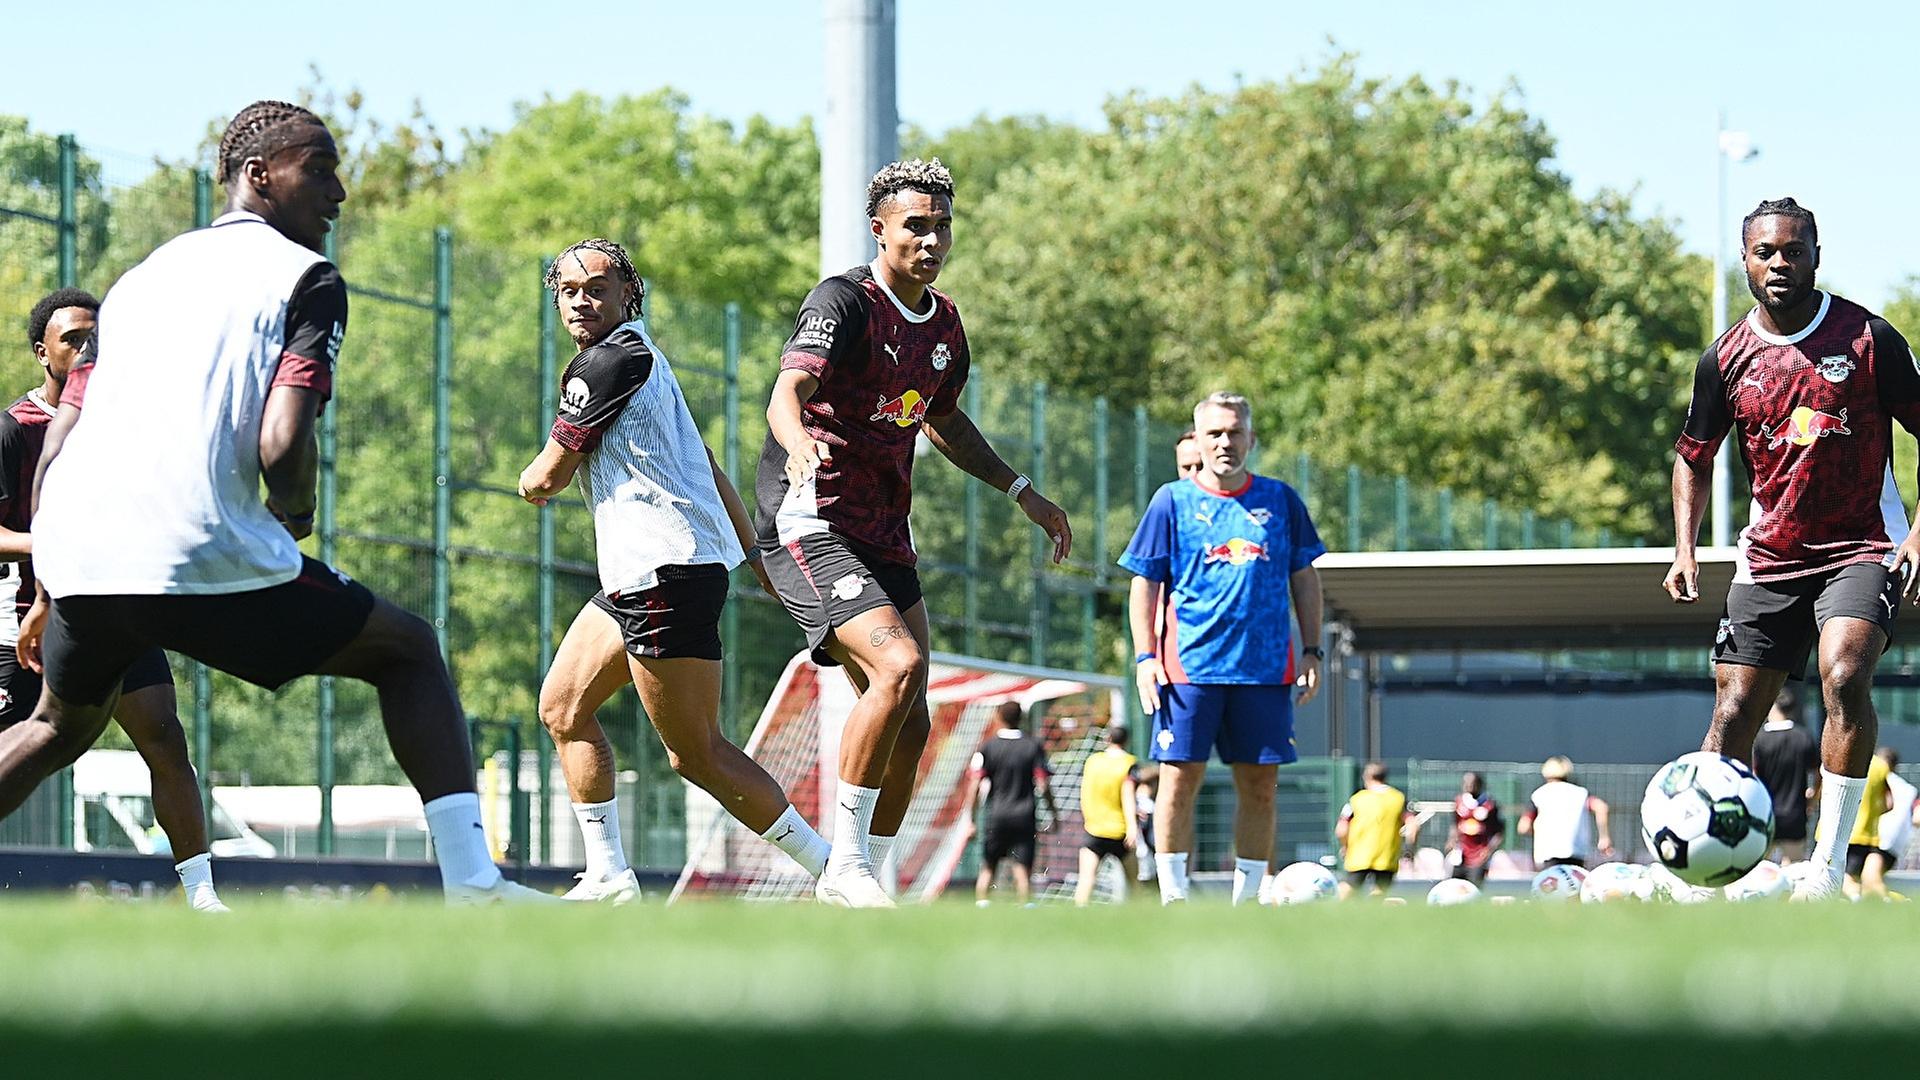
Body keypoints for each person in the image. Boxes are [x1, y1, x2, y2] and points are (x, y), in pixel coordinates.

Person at [0, 100, 546, 903]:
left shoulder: (139, 280)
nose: (340, 191)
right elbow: (283, 444)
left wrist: (50, 583)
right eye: (319, 168)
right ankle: (473, 884)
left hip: (81, 554)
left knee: (52, 729)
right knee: (408, 649)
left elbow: (56, 448)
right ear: (259, 175)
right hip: (192, 546)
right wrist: (293, 515)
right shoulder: (306, 277)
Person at [757, 158, 1072, 907]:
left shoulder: (946, 323)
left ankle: (871, 877)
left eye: (942, 227)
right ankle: (844, 867)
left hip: (884, 534)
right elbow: (786, 393)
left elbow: (945, 418)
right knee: (895, 670)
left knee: (913, 716)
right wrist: (799, 442)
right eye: (915, 227)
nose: (931, 241)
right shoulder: (844, 301)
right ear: (881, 230)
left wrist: (1021, 490)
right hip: (810, 521)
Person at [517, 237, 830, 903]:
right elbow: (709, 463)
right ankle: (609, 878)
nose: (581, 299)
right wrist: (755, 554)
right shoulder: (643, 357)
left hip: (662, 576)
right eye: (569, 290)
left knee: (697, 754)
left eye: (596, 287)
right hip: (648, 575)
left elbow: (548, 472)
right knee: (563, 707)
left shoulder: (606, 362)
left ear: (627, 295)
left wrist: (531, 483)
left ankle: (835, 872)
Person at [1665, 197, 1920, 900]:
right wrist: (1685, 549)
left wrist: (1919, 530)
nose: (1780, 263)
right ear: (1745, 259)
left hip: (1862, 546)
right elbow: (1693, 455)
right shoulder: (1725, 357)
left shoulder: (1869, 337)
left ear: (1816, 253)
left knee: (1843, 677)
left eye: (1793, 250)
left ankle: (1826, 866)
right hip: (1771, 556)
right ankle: (1703, 873)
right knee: (1735, 710)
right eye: (1765, 252)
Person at [3, 291, 227, 912]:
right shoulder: (11, 430)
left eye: (94, 339)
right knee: (20, 746)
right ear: (40, 350)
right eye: (71, 338)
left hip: (119, 611)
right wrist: (54, 543)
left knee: (163, 735)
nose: (85, 349)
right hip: (31, 619)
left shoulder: (124, 422)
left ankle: (202, 897)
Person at [1121, 391, 1326, 905]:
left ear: (1251, 439)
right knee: (1178, 782)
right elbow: (1144, 582)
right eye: (1215, 433)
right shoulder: (1172, 500)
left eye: (1234, 432)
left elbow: (1304, 578)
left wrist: (1313, 650)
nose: (1225, 442)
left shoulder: (1281, 501)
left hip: (1264, 671)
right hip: (1188, 669)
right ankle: (1174, 898)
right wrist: (1146, 658)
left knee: (1259, 788)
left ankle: (1247, 902)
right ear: (1198, 438)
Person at [960, 702, 1055, 905]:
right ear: (1021, 718)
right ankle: (1027, 913)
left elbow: (975, 785)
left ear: (998, 717)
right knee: (1022, 870)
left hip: (997, 815)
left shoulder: (988, 747)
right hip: (1024, 816)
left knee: (988, 867)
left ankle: (982, 908)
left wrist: (971, 819)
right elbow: (1043, 784)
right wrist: (1053, 813)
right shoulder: (1033, 746)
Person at [1750, 686, 1820, 863]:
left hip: (1765, 813)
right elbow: (1819, 772)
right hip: (1795, 814)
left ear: (1772, 707)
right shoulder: (1803, 737)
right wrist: (1812, 796)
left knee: (1759, 869)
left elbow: (1754, 776)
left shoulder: (1760, 740)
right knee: (1793, 870)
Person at [1074, 723, 1140, 906]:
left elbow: (1085, 791)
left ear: (1108, 739)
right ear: (1127, 741)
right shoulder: (1129, 763)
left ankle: (1078, 914)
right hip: (1119, 830)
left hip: (1094, 828)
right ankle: (1142, 915)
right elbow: (1127, 796)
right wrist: (1133, 828)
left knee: (1086, 879)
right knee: (1134, 882)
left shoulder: (1093, 761)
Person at [1336, 761, 1414, 899]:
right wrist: (1409, 848)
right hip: (1387, 855)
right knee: (1379, 892)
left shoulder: (1356, 799)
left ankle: (1333, 912)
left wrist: (1345, 846)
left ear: (1366, 777)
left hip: (1359, 854)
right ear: (1385, 777)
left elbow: (1341, 829)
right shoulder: (1398, 798)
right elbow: (1413, 826)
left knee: (1348, 887)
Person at [1518, 756, 1612, 869]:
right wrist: (1604, 837)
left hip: (1548, 853)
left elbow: (1523, 826)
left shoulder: (1539, 794)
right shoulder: (1580, 793)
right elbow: (1601, 807)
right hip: (1577, 852)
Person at [1860, 747, 1913, 899]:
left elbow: (1888, 804)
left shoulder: (1879, 780)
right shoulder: (1906, 788)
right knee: (1868, 881)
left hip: (1880, 839)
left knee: (1871, 879)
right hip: (1896, 844)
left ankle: (1894, 903)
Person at [1844, 746, 1894, 899]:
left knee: (1846, 877)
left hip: (1846, 833)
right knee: (1864, 877)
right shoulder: (1881, 766)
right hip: (1868, 834)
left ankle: (1856, 899)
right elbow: (1889, 803)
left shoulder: (1844, 760)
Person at [1447, 771, 1503, 884]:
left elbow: (1499, 831)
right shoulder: (1459, 802)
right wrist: (1451, 839)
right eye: (1466, 783)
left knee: (1473, 887)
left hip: (1479, 854)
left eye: (1472, 783)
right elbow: (1455, 824)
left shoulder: (1489, 804)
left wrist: (1489, 850)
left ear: (1480, 784)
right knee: (1455, 886)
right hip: (1461, 852)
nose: (1469, 786)